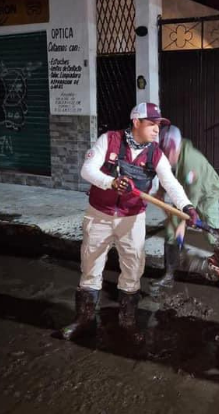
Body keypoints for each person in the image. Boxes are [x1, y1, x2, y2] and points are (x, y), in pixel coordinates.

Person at [64, 103, 198, 340]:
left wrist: (186, 206)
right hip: (99, 215)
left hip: (132, 220)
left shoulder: (155, 153)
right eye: (152, 124)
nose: (157, 129)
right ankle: (83, 320)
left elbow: (171, 183)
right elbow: (87, 170)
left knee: (133, 269)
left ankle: (127, 323)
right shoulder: (110, 140)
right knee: (90, 268)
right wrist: (111, 182)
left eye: (159, 125)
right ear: (136, 122)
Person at [151, 125, 219, 292]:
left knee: (212, 235)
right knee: (171, 230)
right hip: (187, 193)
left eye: (165, 152)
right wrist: (161, 191)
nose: (163, 156)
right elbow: (169, 176)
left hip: (207, 194)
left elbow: (191, 202)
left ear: (173, 147)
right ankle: (169, 276)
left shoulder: (191, 161)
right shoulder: (174, 154)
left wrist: (183, 224)